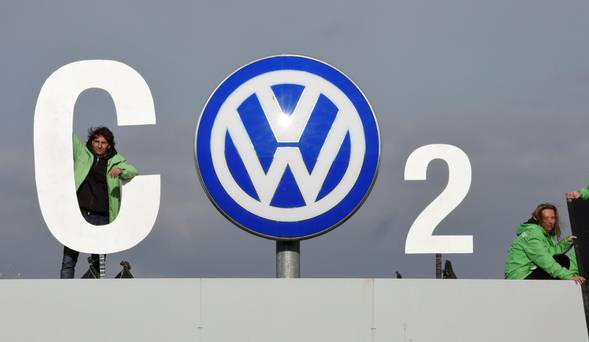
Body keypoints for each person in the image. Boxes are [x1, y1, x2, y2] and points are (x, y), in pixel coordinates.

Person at [60, 127, 138, 278]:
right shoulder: (82, 153)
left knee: (98, 263)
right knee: (68, 260)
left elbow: (133, 170)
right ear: (91, 141)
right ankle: (65, 293)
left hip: (102, 217)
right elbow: (66, 134)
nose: (99, 145)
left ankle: (93, 296)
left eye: (103, 142)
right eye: (96, 141)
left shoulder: (116, 160)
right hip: (79, 213)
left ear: (109, 145)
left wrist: (120, 170)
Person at [504, 203, 585, 284]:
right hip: (520, 278)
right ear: (538, 219)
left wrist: (566, 243)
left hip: (529, 273)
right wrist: (569, 276)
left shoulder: (544, 235)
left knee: (561, 260)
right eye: (546, 218)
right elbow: (544, 260)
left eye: (552, 218)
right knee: (561, 260)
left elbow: (549, 253)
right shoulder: (532, 233)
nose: (550, 221)